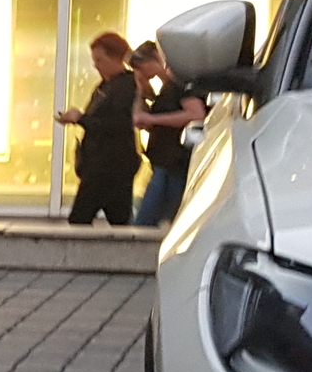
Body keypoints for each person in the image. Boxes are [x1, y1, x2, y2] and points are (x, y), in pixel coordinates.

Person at [57, 31, 139, 226]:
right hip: (97, 162)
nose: (96, 65)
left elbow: (117, 123)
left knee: (81, 218)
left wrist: (81, 119)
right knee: (117, 219)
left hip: (111, 165)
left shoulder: (126, 86)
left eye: (100, 60)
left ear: (114, 58)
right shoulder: (105, 85)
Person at [132, 40, 206, 225]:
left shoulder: (179, 84)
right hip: (163, 160)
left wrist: (153, 120)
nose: (140, 73)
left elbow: (196, 114)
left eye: (141, 68)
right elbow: (143, 119)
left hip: (174, 161)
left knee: (148, 219)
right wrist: (142, 92)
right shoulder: (165, 89)